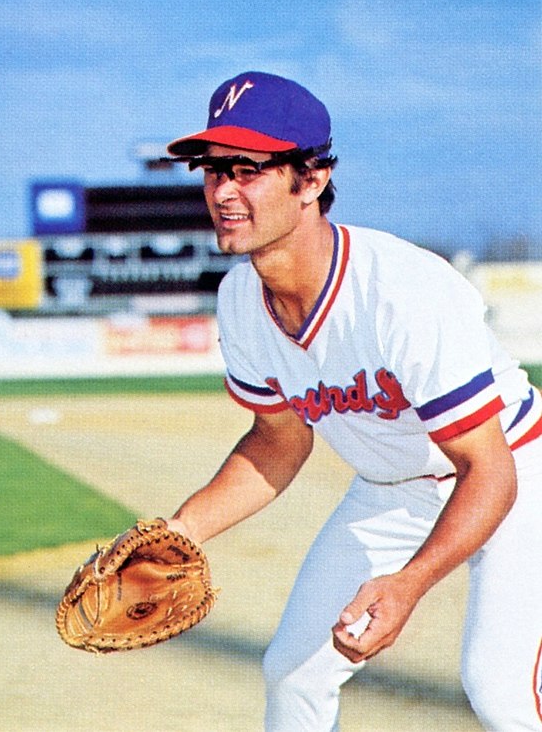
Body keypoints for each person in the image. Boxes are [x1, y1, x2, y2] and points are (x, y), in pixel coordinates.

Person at [163, 71, 542, 731]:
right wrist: (179, 532)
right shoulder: (239, 302)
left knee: (500, 689)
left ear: (311, 180)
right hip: (393, 490)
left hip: (514, 473)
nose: (223, 191)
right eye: (213, 170)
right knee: (293, 672)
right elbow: (278, 440)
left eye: (248, 170)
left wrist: (410, 583)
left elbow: (491, 469)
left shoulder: (402, 292)